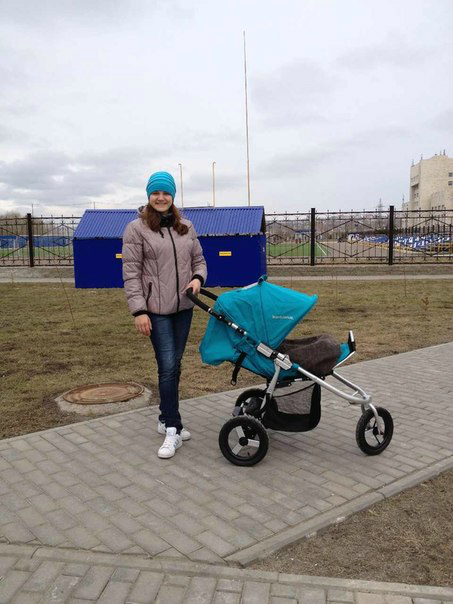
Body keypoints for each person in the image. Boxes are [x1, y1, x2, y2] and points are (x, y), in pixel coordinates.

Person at [122, 171, 207, 459]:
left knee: (174, 365)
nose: (161, 198)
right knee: (168, 366)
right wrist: (139, 310)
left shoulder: (186, 226)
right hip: (155, 311)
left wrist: (197, 278)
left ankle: (164, 417)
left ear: (173, 196)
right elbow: (131, 273)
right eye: (155, 193)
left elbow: (199, 260)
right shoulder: (136, 229)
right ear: (149, 196)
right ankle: (173, 428)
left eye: (166, 193)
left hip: (183, 308)